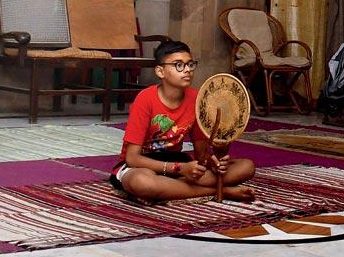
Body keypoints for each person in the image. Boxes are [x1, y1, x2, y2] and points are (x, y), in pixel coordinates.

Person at [110, 40, 256, 202]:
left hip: (178, 162)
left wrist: (213, 161)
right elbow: (132, 158)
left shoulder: (197, 99)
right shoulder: (145, 99)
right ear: (160, 71)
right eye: (179, 65)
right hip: (142, 165)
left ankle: (171, 188)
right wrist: (180, 169)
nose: (187, 70)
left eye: (190, 64)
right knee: (142, 183)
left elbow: (201, 154)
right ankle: (220, 191)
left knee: (246, 167)